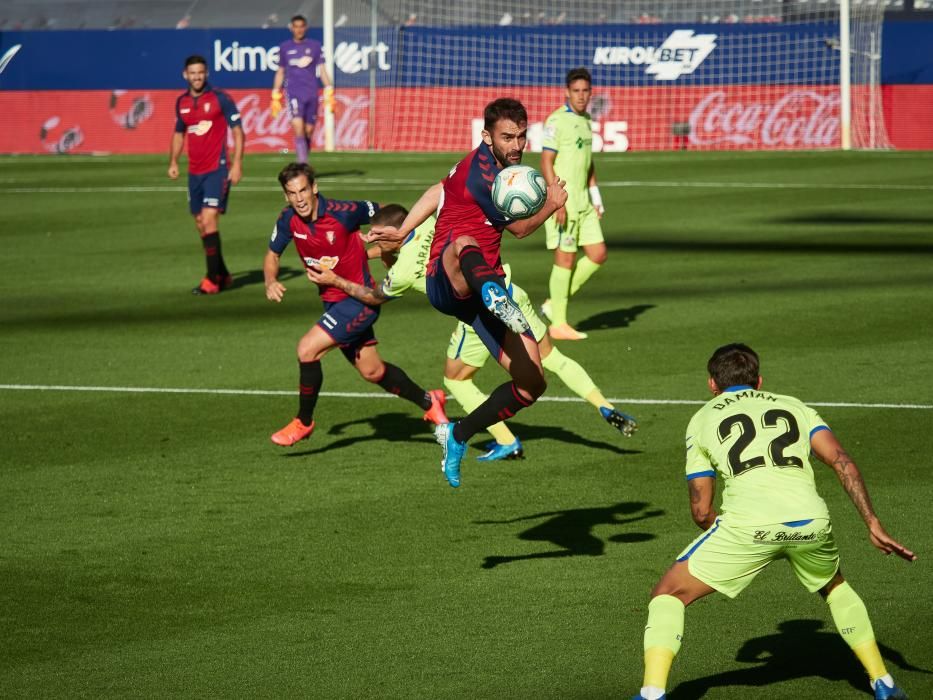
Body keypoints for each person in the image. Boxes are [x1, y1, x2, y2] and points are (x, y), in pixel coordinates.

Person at [631, 343, 915, 700]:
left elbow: (701, 512)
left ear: (712, 385)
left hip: (748, 528)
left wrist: (747, 538)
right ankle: (883, 682)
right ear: (759, 381)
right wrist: (872, 521)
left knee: (668, 594)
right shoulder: (794, 406)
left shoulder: (703, 418)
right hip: (812, 522)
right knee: (834, 586)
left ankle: (653, 694)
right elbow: (842, 461)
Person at [309, 203, 638, 463]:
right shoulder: (433, 220)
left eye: (379, 235)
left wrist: (335, 280)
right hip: (509, 289)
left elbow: (374, 295)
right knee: (551, 356)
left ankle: (506, 440)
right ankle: (603, 405)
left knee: (456, 379)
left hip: (479, 315)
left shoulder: (403, 271)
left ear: (391, 232)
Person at [364, 98, 568, 487]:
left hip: (483, 297)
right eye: (508, 137)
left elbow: (437, 190)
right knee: (463, 241)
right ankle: (495, 294)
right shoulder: (483, 177)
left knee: (532, 383)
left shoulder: (474, 166)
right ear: (486, 136)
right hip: (448, 279)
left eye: (522, 136)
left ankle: (458, 435)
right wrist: (552, 204)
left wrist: (404, 229)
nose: (517, 145)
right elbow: (522, 229)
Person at [263, 163, 448, 447]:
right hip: (332, 302)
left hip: (358, 300)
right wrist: (270, 281)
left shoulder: (343, 212)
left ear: (314, 188)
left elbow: (389, 213)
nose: (299, 199)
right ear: (286, 196)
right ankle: (429, 401)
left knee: (307, 350)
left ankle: (303, 422)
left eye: (303, 190)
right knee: (372, 371)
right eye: (292, 193)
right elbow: (273, 254)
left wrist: (392, 245)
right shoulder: (288, 220)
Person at [539, 67, 607, 340]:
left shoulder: (587, 120)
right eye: (576, 91)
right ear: (567, 92)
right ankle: (559, 324)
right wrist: (557, 201)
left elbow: (588, 164)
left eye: (585, 91)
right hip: (563, 200)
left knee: (598, 254)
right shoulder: (556, 121)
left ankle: (553, 305)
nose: (581, 96)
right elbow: (545, 161)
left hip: (584, 203)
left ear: (591, 93)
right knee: (565, 259)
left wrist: (596, 197)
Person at [168, 54, 244, 295]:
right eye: (193, 73)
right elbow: (179, 133)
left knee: (209, 218)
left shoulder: (221, 98)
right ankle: (222, 273)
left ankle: (211, 280)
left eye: (200, 72)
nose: (197, 77)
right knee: (201, 224)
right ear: (185, 75)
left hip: (217, 169)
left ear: (206, 73)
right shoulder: (181, 102)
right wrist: (173, 162)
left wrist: (237, 164)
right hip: (194, 172)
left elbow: (238, 131)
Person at [270, 14, 333, 163]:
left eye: (301, 26)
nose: (299, 30)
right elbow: (280, 71)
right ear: (291, 28)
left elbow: (322, 70)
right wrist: (275, 92)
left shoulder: (315, 46)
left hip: (311, 93)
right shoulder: (285, 48)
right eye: (296, 27)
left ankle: (304, 160)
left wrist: (329, 89)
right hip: (293, 92)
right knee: (298, 127)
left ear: (306, 28)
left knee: (308, 131)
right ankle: (303, 165)